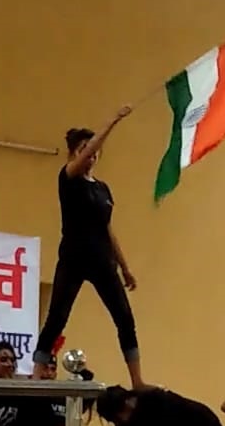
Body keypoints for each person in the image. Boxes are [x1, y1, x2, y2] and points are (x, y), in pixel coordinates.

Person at [32, 107, 148, 390]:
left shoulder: (103, 189)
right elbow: (87, 152)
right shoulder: (68, 178)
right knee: (57, 317)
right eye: (85, 150)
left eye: (95, 152)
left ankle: (137, 380)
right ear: (74, 153)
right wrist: (112, 122)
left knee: (124, 317)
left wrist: (125, 267)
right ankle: (35, 375)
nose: (92, 155)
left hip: (101, 260)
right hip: (73, 258)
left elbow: (108, 229)